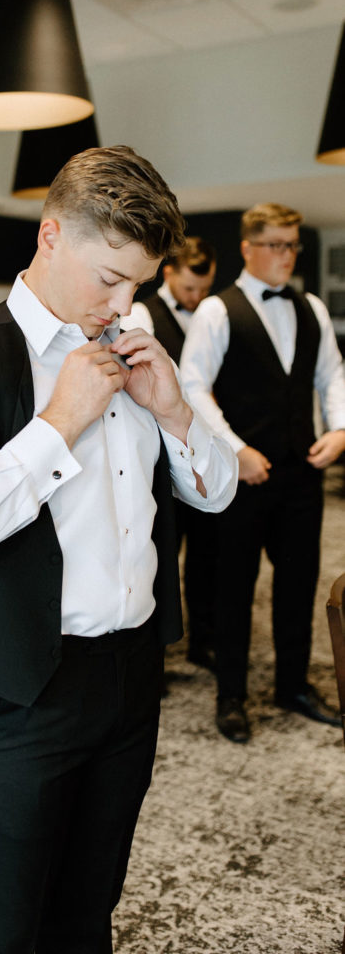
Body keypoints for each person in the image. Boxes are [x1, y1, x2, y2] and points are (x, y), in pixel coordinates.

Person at [0, 145, 237, 954]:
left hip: (129, 676)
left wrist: (173, 413)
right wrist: (58, 423)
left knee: (90, 908)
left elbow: (217, 490)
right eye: (109, 278)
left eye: (139, 285)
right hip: (21, 686)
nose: (123, 304)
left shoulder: (134, 339)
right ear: (51, 235)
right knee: (4, 920)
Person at [180, 202, 345, 744]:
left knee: (298, 585)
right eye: (275, 244)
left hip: (301, 473)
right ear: (248, 248)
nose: (286, 255)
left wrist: (341, 429)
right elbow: (192, 387)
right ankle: (230, 695)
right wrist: (235, 448)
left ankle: (292, 686)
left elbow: (332, 375)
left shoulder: (313, 308)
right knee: (235, 588)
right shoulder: (216, 311)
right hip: (242, 480)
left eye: (292, 244)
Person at [122, 237, 218, 669]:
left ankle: (202, 642)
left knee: (205, 560)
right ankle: (154, 654)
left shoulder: (215, 316)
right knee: (160, 554)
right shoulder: (142, 314)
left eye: (204, 290)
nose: (196, 299)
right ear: (169, 273)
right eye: (189, 289)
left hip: (197, 443)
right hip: (160, 453)